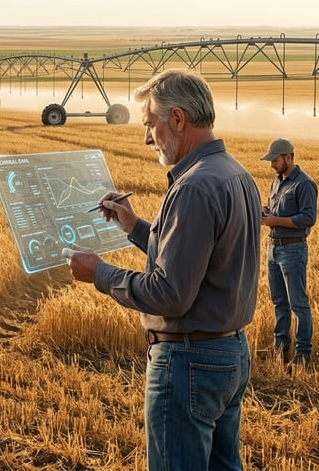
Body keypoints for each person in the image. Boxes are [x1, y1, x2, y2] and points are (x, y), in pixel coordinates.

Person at [62, 69, 261, 471]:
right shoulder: (235, 174)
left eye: (150, 124)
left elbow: (170, 293)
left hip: (190, 360)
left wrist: (99, 272)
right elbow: (198, 259)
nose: (146, 138)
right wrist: (135, 227)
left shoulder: (192, 187)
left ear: (177, 119)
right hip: (231, 353)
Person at [260, 138, 317, 366]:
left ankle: (303, 355)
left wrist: (276, 220)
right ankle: (280, 348)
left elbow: (308, 217)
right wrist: (263, 213)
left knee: (298, 304)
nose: (272, 164)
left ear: (289, 157)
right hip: (273, 248)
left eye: (275, 160)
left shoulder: (304, 184)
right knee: (278, 302)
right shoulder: (277, 182)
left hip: (293, 249)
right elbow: (273, 209)